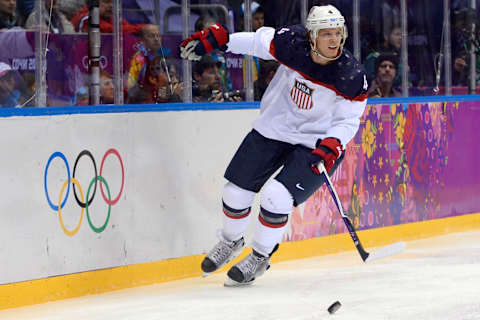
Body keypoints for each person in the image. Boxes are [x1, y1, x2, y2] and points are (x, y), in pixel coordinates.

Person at [180, 5, 368, 286]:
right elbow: (258, 43)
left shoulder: (350, 74)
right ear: (312, 36)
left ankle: (260, 256)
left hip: (315, 143)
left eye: (338, 34)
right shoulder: (291, 44)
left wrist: (332, 143)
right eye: (326, 34)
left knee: (275, 198)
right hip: (274, 128)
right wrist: (224, 40)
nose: (334, 41)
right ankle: (231, 242)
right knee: (234, 193)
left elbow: (349, 119)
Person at [127, 24, 171, 90]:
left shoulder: (166, 55)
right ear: (143, 40)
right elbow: (130, 86)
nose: (156, 39)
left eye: (158, 36)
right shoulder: (138, 60)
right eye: (152, 36)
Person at [70, 0, 144, 34]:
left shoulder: (110, 17)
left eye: (114, 3)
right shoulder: (87, 17)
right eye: (106, 2)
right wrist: (143, 28)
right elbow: (111, 30)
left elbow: (128, 27)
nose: (111, 6)